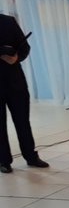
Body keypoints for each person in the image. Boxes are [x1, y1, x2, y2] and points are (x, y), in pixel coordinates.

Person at [0, 14, 49, 174]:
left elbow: (25, 48)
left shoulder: (8, 21)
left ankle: (31, 156)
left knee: (23, 121)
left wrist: (16, 58)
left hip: (15, 81)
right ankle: (4, 161)